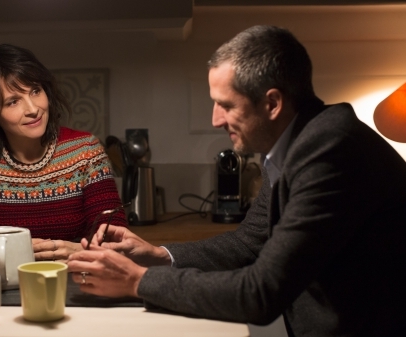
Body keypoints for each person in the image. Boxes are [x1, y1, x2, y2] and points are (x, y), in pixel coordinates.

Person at [67, 25, 406, 337]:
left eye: (225, 105)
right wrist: (157, 255)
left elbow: (261, 293)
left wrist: (137, 281)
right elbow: (248, 243)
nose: (215, 120)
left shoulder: (330, 150)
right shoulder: (295, 141)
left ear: (272, 103)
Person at [0, 43, 126, 264]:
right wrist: (5, 251)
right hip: (1, 288)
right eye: (13, 101)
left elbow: (114, 233)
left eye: (35, 91)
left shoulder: (85, 151)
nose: (33, 109)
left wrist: (79, 250)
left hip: (76, 280)